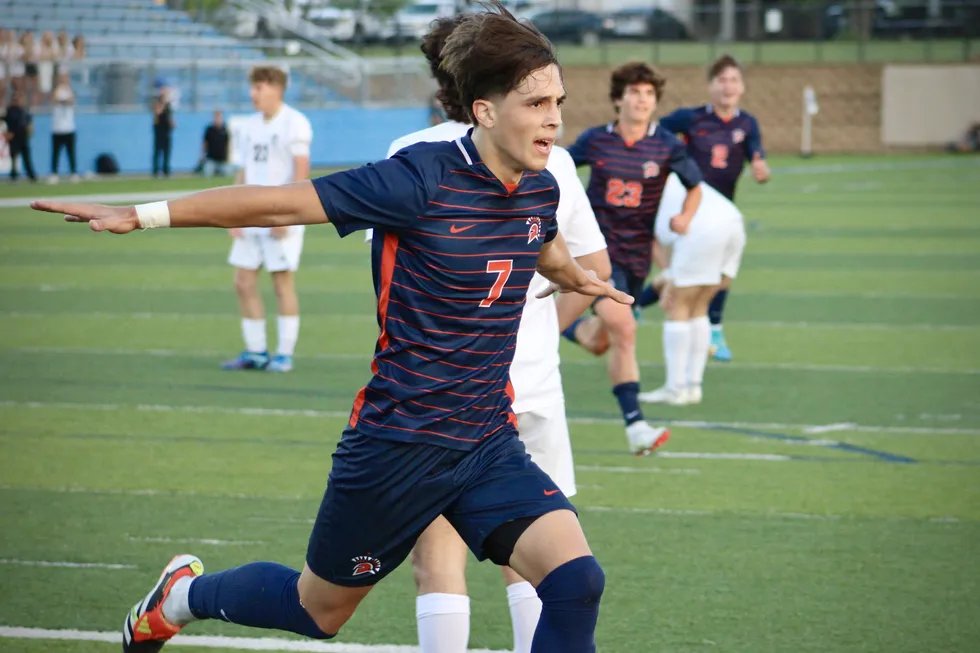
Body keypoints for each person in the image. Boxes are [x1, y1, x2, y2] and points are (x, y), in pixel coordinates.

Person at [31, 5, 623, 653]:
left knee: (576, 579)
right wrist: (139, 215)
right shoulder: (416, 179)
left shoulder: (541, 185)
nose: (555, 118)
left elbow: (541, 241)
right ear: (483, 110)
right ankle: (181, 595)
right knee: (318, 610)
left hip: (485, 439)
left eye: (558, 100)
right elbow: (278, 200)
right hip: (397, 445)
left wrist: (575, 278)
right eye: (536, 102)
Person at [379, 16, 619, 653]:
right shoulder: (553, 158)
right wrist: (547, 331)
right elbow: (593, 272)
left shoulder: (410, 151)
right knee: (536, 563)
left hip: (443, 396)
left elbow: (389, 279)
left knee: (438, 560)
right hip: (533, 382)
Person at [563, 61, 701, 454]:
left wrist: (685, 216)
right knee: (625, 328)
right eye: (635, 93)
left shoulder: (666, 145)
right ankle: (636, 425)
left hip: (636, 256)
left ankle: (555, 324)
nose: (642, 100)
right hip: (595, 252)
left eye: (649, 94)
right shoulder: (595, 140)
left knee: (599, 341)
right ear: (618, 99)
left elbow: (695, 187)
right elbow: (558, 170)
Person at [638, 54, 769, 362]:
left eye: (733, 80)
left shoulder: (747, 123)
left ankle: (639, 303)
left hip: (723, 215)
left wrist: (762, 168)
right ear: (711, 86)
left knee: (710, 274)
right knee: (690, 277)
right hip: (692, 209)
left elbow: (757, 157)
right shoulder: (691, 117)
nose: (728, 86)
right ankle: (714, 329)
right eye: (721, 80)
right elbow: (655, 133)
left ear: (742, 86)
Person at [221, 66, 312, 373]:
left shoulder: (295, 123)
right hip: (250, 213)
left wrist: (288, 214)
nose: (253, 94)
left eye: (259, 87)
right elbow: (243, 170)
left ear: (276, 89)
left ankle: (284, 354)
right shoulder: (248, 126)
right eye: (253, 87)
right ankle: (255, 351)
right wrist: (232, 212)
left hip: (279, 213)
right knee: (243, 281)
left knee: (281, 282)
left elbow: (301, 169)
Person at [637, 175, 746, 405]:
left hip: (701, 227)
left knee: (678, 306)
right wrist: (670, 275)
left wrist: (668, 276)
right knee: (699, 307)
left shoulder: (643, 184)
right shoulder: (670, 173)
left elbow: (650, 238)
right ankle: (693, 387)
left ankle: (675, 389)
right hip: (732, 220)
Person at [48, 71, 78, 183]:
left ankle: (73, 172)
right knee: (55, 153)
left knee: (71, 153)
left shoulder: (69, 90)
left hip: (69, 128)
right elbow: (54, 99)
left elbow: (71, 100)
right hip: (57, 129)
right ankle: (54, 173)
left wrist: (64, 99)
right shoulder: (57, 91)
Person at [6, 90, 36, 182]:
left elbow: (29, 122)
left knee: (26, 156)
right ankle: (14, 175)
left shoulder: (24, 110)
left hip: (23, 136)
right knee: (14, 157)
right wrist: (8, 133)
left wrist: (30, 131)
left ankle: (31, 175)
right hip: (14, 136)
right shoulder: (11, 110)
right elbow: (7, 122)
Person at [197, 109, 229, 177]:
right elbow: (205, 143)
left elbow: (228, 144)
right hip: (211, 160)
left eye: (219, 117)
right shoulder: (209, 129)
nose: (217, 119)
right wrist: (202, 156)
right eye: (216, 117)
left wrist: (228, 158)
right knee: (207, 174)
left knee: (228, 175)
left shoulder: (225, 129)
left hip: (222, 161)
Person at [151, 86, 174, 177]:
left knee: (167, 153)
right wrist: (163, 104)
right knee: (157, 152)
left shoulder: (169, 107)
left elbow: (170, 120)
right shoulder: (158, 104)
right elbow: (157, 115)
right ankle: (156, 171)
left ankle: (166, 170)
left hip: (167, 132)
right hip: (159, 133)